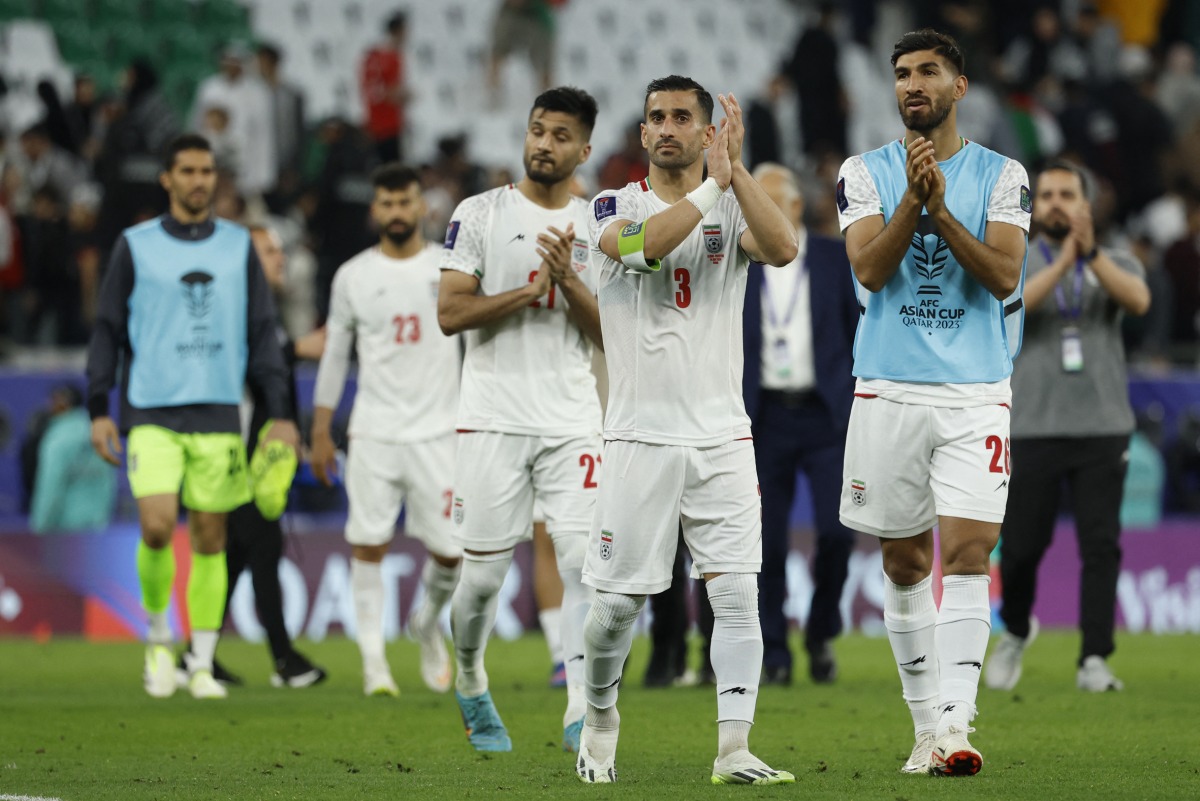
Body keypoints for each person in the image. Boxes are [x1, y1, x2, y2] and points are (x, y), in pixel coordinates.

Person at [576, 75, 799, 785]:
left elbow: (785, 247)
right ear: (642, 135)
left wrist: (737, 179)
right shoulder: (611, 205)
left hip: (721, 436)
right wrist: (714, 188)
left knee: (736, 592)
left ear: (707, 132)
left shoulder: (730, 204)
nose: (666, 127)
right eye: (655, 118)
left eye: (682, 117)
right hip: (639, 437)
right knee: (614, 609)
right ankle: (601, 715)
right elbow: (638, 248)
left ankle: (733, 747)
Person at [836, 29, 1031, 777]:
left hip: (977, 390)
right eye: (902, 74)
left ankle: (955, 720)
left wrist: (943, 211)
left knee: (971, 551)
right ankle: (924, 727)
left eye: (928, 72)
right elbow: (870, 270)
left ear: (960, 86)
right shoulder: (865, 172)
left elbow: (1004, 276)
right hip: (888, 384)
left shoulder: (1002, 174)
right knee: (905, 559)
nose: (912, 84)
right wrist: (913, 206)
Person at [86, 133, 298, 700]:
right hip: (150, 408)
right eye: (187, 170)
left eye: (207, 171)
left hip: (218, 410)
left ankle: (200, 661)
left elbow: (261, 335)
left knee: (210, 535)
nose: (199, 180)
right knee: (157, 526)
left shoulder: (237, 247)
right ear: (167, 178)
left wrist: (279, 413)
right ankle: (158, 637)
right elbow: (107, 327)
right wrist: (98, 406)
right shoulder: (135, 245)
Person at [437, 86, 603, 754]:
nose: (543, 143)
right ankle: (471, 677)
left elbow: (607, 335)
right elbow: (450, 311)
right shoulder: (480, 213)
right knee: (480, 575)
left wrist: (569, 285)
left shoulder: (597, 224)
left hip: (571, 418)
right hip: (491, 416)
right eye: (537, 130)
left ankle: (580, 706)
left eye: (561, 135)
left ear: (583, 149)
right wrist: (526, 292)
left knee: (581, 561)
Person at [985, 160, 1149, 694]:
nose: (1056, 202)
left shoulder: (1117, 259)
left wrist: (1092, 255)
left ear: (1086, 203)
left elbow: (1138, 301)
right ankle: (1014, 631)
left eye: (1067, 194)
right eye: (1047, 194)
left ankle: (1094, 659)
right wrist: (1065, 264)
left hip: (1103, 426)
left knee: (1101, 545)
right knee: (1024, 546)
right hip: (1033, 425)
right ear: (1034, 206)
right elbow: (1014, 305)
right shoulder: (1016, 261)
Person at [310, 163, 462, 697]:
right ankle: (375, 665)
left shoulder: (451, 266)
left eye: (406, 203)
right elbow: (334, 355)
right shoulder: (353, 275)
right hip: (374, 432)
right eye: (388, 204)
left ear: (423, 207)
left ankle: (426, 623)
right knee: (368, 543)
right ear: (375, 210)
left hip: (440, 432)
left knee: (451, 553)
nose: (397, 213)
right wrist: (322, 428)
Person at [179, 225, 328, 690]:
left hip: (248, 448)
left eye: (279, 251)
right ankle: (284, 659)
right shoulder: (228, 306)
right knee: (261, 547)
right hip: (226, 448)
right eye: (268, 251)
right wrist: (296, 350)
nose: (279, 259)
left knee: (238, 555)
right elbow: (237, 363)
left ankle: (196, 654)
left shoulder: (263, 311)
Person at [742, 162, 858, 686]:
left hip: (825, 414)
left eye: (768, 202)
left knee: (838, 532)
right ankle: (774, 650)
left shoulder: (837, 258)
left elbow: (859, 328)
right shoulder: (741, 259)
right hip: (764, 417)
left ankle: (821, 628)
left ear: (793, 206)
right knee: (765, 542)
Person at [29, 384, 116, 533]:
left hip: (64, 532)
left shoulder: (58, 438)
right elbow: (108, 482)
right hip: (98, 528)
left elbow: (50, 485)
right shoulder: (99, 433)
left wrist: (39, 526)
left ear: (63, 404)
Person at [359, 11, 409, 164]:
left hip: (377, 124)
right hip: (388, 125)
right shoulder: (390, 57)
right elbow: (389, 92)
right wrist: (405, 95)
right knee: (392, 172)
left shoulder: (373, 56)